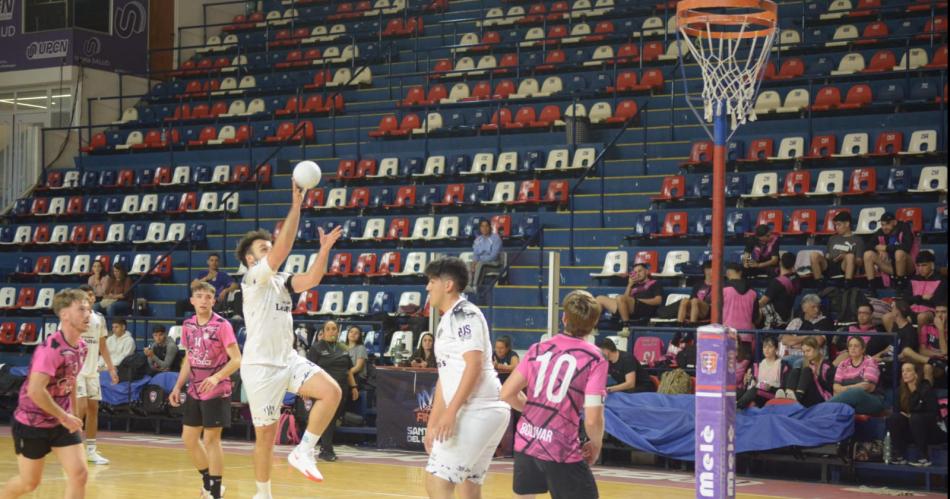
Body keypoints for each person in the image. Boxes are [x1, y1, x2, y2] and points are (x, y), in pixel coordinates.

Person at [236, 184, 345, 497]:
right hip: (260, 368)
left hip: (287, 358)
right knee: (266, 437)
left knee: (331, 392)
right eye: (263, 249)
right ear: (250, 258)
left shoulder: (282, 282)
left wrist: (323, 249)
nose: (270, 251)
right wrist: (296, 206)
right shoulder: (252, 279)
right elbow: (282, 250)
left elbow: (311, 280)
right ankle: (263, 493)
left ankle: (304, 450)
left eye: (270, 246)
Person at [500, 290, 607, 499]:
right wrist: (596, 444)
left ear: (564, 318)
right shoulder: (595, 358)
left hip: (526, 441)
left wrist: (533, 411)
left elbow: (506, 393)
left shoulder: (538, 348)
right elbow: (593, 419)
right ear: (594, 324)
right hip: (560, 447)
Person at [421, 257, 510, 499]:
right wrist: (433, 420)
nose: (427, 288)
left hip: (478, 408)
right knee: (469, 485)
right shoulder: (449, 317)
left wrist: (451, 413)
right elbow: (446, 376)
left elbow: (474, 365)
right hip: (483, 409)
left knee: (437, 481)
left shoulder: (464, 313)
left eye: (431, 281)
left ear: (448, 285)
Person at [1, 289, 90, 498]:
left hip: (61, 421)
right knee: (29, 483)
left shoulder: (82, 347)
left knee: (79, 474)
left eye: (89, 309)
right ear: (65, 314)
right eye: (82, 309)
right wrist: (65, 416)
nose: (88, 314)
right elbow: (35, 391)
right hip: (32, 423)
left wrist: (73, 416)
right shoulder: (50, 349)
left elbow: (71, 380)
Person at [169, 281, 242, 499]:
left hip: (217, 388)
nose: (203, 300)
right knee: (189, 438)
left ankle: (216, 491)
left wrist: (217, 377)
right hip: (194, 389)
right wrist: (178, 385)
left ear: (213, 300)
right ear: (192, 300)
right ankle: (207, 482)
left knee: (211, 440)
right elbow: (189, 359)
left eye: (207, 296)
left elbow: (237, 359)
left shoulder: (222, 325)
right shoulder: (188, 325)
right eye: (199, 296)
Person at [70, 285, 118, 466]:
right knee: (79, 409)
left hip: (92, 371)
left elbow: (103, 346)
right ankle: (73, 449)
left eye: (91, 295)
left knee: (93, 409)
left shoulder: (99, 318)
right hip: (77, 371)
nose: (90, 297)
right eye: (86, 295)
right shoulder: (71, 316)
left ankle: (90, 450)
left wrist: (111, 368)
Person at [307, 320, 358, 462]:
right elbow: (308, 370)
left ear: (338, 331)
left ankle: (322, 447)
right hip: (323, 391)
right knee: (327, 419)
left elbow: (348, 371)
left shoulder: (343, 348)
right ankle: (326, 450)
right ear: (323, 332)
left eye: (334, 329)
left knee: (333, 419)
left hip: (342, 389)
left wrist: (353, 387)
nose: (331, 331)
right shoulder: (316, 348)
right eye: (328, 329)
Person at [886, 362, 941, 467]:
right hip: (910, 430)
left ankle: (924, 457)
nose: (904, 373)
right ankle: (898, 455)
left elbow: (933, 414)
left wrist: (912, 416)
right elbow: (898, 412)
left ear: (916, 374)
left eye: (908, 370)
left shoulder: (926, 388)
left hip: (929, 430)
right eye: (903, 371)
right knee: (894, 418)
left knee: (916, 418)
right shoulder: (900, 390)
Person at [595, 262, 662, 337]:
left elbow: (658, 301)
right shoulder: (634, 285)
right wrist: (629, 285)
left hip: (646, 308)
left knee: (620, 297)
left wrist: (639, 301)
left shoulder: (654, 283)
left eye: (640, 271)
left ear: (646, 271)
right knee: (599, 298)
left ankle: (626, 328)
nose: (637, 273)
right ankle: (593, 328)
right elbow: (624, 299)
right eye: (635, 272)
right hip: (632, 308)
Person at [827, 336, 885, 414]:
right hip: (851, 403)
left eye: (856, 346)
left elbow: (867, 387)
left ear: (863, 349)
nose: (852, 348)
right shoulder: (843, 364)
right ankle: (824, 410)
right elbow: (835, 387)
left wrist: (844, 389)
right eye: (850, 346)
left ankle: (823, 408)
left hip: (871, 400)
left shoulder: (870, 362)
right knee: (843, 408)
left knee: (856, 392)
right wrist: (853, 388)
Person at [889, 251, 947, 330]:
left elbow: (937, 302)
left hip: (931, 311)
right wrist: (921, 297)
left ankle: (920, 341)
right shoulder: (914, 279)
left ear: (932, 265)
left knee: (921, 317)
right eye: (918, 266)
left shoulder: (941, 280)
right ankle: (893, 342)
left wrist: (915, 300)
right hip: (912, 310)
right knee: (888, 317)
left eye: (924, 265)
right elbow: (906, 298)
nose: (920, 269)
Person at [863, 212, 916, 289]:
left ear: (894, 222)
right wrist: (878, 249)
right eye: (882, 224)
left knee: (899, 253)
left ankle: (900, 287)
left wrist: (886, 248)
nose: (884, 227)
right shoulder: (881, 232)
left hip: (908, 266)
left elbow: (906, 247)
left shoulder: (904, 228)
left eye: (887, 224)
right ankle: (872, 287)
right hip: (891, 266)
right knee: (868, 254)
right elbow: (868, 245)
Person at [807, 211, 864, 284]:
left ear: (847, 224)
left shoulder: (858, 240)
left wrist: (845, 256)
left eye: (839, 225)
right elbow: (827, 256)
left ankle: (848, 284)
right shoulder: (832, 238)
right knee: (814, 255)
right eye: (835, 225)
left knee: (850, 256)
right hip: (830, 264)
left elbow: (859, 262)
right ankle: (819, 284)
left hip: (845, 266)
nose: (836, 228)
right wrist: (829, 256)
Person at [776, 336, 834, 407]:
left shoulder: (826, 366)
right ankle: (787, 393)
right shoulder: (809, 363)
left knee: (806, 370)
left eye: (808, 350)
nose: (806, 354)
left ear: (816, 349)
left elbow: (831, 388)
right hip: (809, 396)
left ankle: (797, 397)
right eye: (804, 352)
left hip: (823, 398)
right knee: (795, 370)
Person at [177, 254, 241, 317]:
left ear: (219, 262)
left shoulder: (223, 275)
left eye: (216, 260)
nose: (214, 262)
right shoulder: (203, 273)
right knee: (180, 304)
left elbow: (235, 285)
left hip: (213, 302)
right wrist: (206, 278)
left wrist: (225, 290)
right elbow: (192, 286)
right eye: (212, 260)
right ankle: (178, 326)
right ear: (208, 262)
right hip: (200, 300)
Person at [781, 294, 833, 367]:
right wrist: (809, 336)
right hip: (793, 355)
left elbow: (818, 342)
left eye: (818, 307)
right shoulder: (796, 321)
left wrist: (794, 344)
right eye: (813, 307)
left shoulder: (824, 321)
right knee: (781, 362)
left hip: (814, 358)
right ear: (804, 308)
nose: (817, 310)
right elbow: (785, 340)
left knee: (798, 363)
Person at [738, 336, 784, 409]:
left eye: (770, 347)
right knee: (736, 391)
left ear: (776, 349)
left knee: (754, 391)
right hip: (757, 393)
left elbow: (783, 388)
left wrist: (770, 388)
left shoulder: (783, 365)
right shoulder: (758, 365)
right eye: (764, 347)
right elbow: (751, 383)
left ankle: (736, 408)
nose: (767, 350)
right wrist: (748, 380)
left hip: (772, 394)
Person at [759, 253, 802, 329]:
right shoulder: (797, 278)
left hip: (776, 319)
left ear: (780, 262)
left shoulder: (777, 282)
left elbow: (762, 302)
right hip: (788, 315)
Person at [722, 263, 758, 345]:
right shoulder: (753, 292)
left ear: (728, 272)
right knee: (745, 357)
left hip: (728, 333)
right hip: (747, 335)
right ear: (740, 272)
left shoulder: (723, 289)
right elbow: (755, 318)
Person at [468, 219, 505, 296]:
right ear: (480, 228)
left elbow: (493, 256)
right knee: (468, 264)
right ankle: (468, 286)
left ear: (490, 227)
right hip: (481, 262)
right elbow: (476, 254)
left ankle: (475, 287)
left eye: (486, 226)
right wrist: (474, 262)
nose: (484, 228)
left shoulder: (496, 238)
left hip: (495, 264)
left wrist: (478, 261)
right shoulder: (478, 240)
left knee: (481, 264)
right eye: (482, 226)